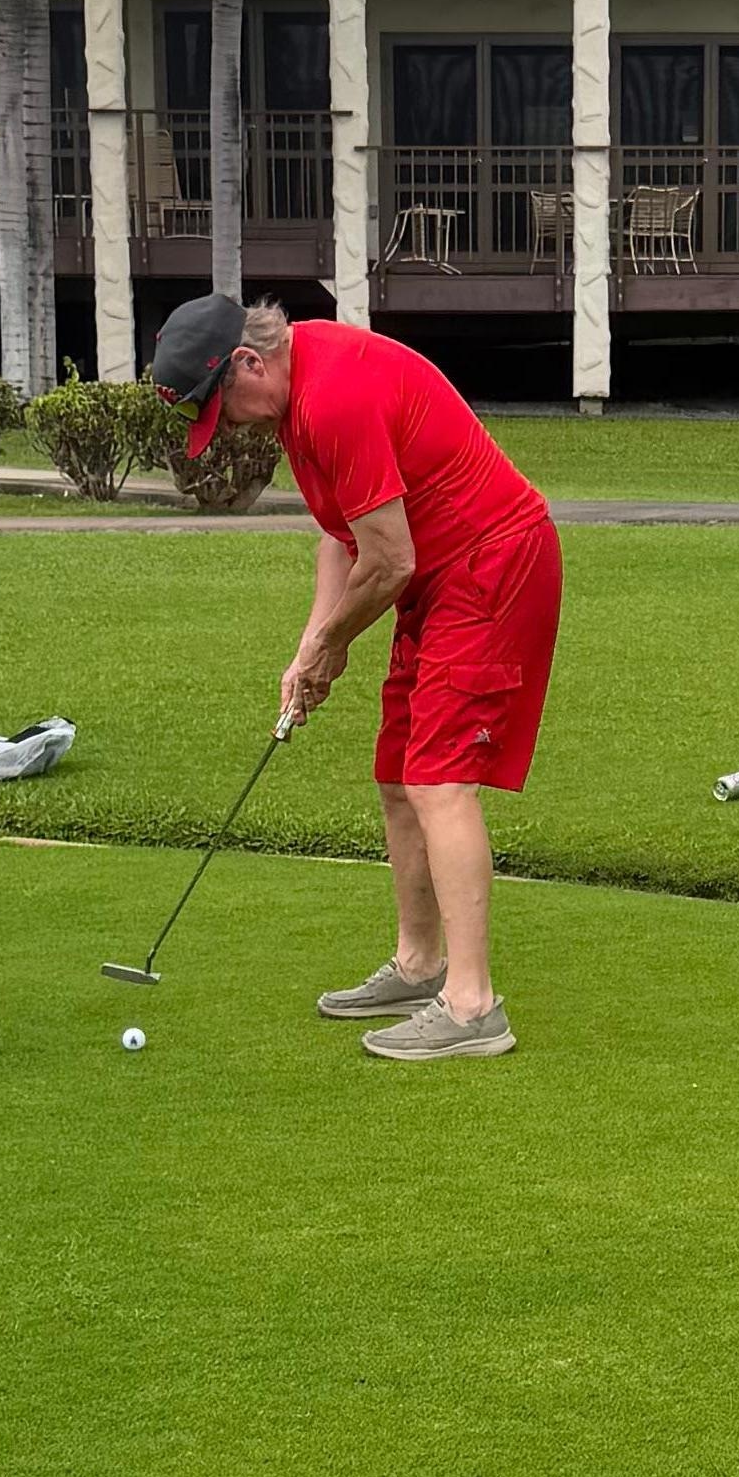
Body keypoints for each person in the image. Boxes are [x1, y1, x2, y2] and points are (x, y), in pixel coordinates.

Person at [151, 293, 565, 1062]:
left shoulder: (332, 397)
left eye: (223, 406)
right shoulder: (294, 403)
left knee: (440, 778)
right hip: (437, 578)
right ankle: (419, 967)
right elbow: (340, 541)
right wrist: (314, 641)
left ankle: (473, 1008)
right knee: (397, 771)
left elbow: (390, 560)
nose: (230, 424)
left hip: (492, 564)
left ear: (248, 362)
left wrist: (331, 645)